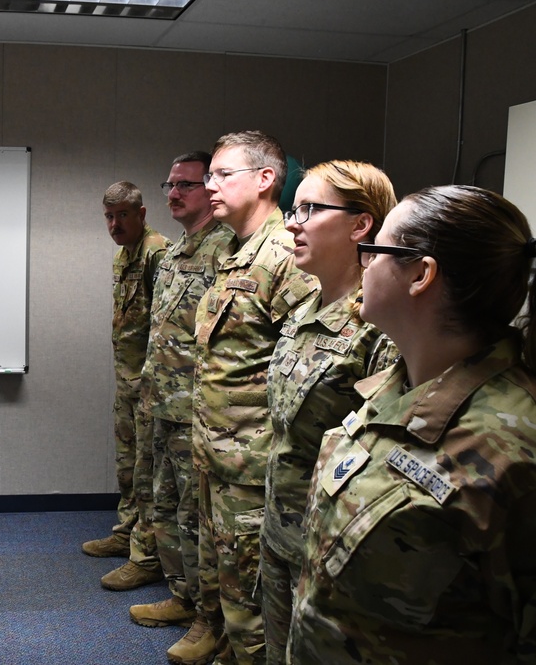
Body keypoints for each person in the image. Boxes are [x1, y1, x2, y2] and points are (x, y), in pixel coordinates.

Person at [288, 185, 536, 663]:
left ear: (421, 275)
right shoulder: (393, 388)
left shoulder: (514, 450)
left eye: (376, 249)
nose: (365, 263)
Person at [260, 160, 398, 664]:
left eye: (310, 209)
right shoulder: (304, 312)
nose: (292, 223)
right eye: (293, 210)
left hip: (330, 553)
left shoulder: (380, 326)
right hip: (279, 528)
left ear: (361, 224)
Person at [189, 130, 319, 664]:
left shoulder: (285, 255)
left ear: (267, 179)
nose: (210, 186)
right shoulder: (233, 250)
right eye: (208, 176)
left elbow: (306, 368)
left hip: (254, 465)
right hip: (218, 453)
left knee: (254, 602)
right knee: (229, 587)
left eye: (223, 175)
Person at [128, 152, 237, 663]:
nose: (172, 193)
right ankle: (182, 595)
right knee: (166, 509)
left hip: (199, 411)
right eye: (169, 184)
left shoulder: (226, 252)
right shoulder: (171, 254)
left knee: (200, 521)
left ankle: (208, 620)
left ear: (210, 190)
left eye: (185, 185)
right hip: (161, 404)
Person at [83, 182, 170, 592]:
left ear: (141, 213)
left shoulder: (158, 253)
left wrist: (151, 382)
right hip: (127, 380)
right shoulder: (123, 256)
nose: (115, 224)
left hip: (151, 385)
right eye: (109, 216)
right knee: (127, 465)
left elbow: (164, 325)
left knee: (147, 470)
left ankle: (145, 555)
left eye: (122, 215)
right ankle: (126, 532)